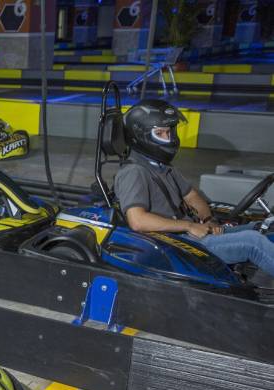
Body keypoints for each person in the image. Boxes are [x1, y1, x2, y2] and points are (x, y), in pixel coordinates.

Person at [114, 99, 274, 277]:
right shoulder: (134, 172)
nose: (169, 139)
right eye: (161, 133)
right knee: (253, 242)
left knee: (261, 228)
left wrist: (207, 219)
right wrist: (189, 226)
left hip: (193, 233)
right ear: (141, 136)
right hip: (176, 243)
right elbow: (138, 221)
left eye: (170, 132)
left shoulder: (162, 166)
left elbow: (191, 195)